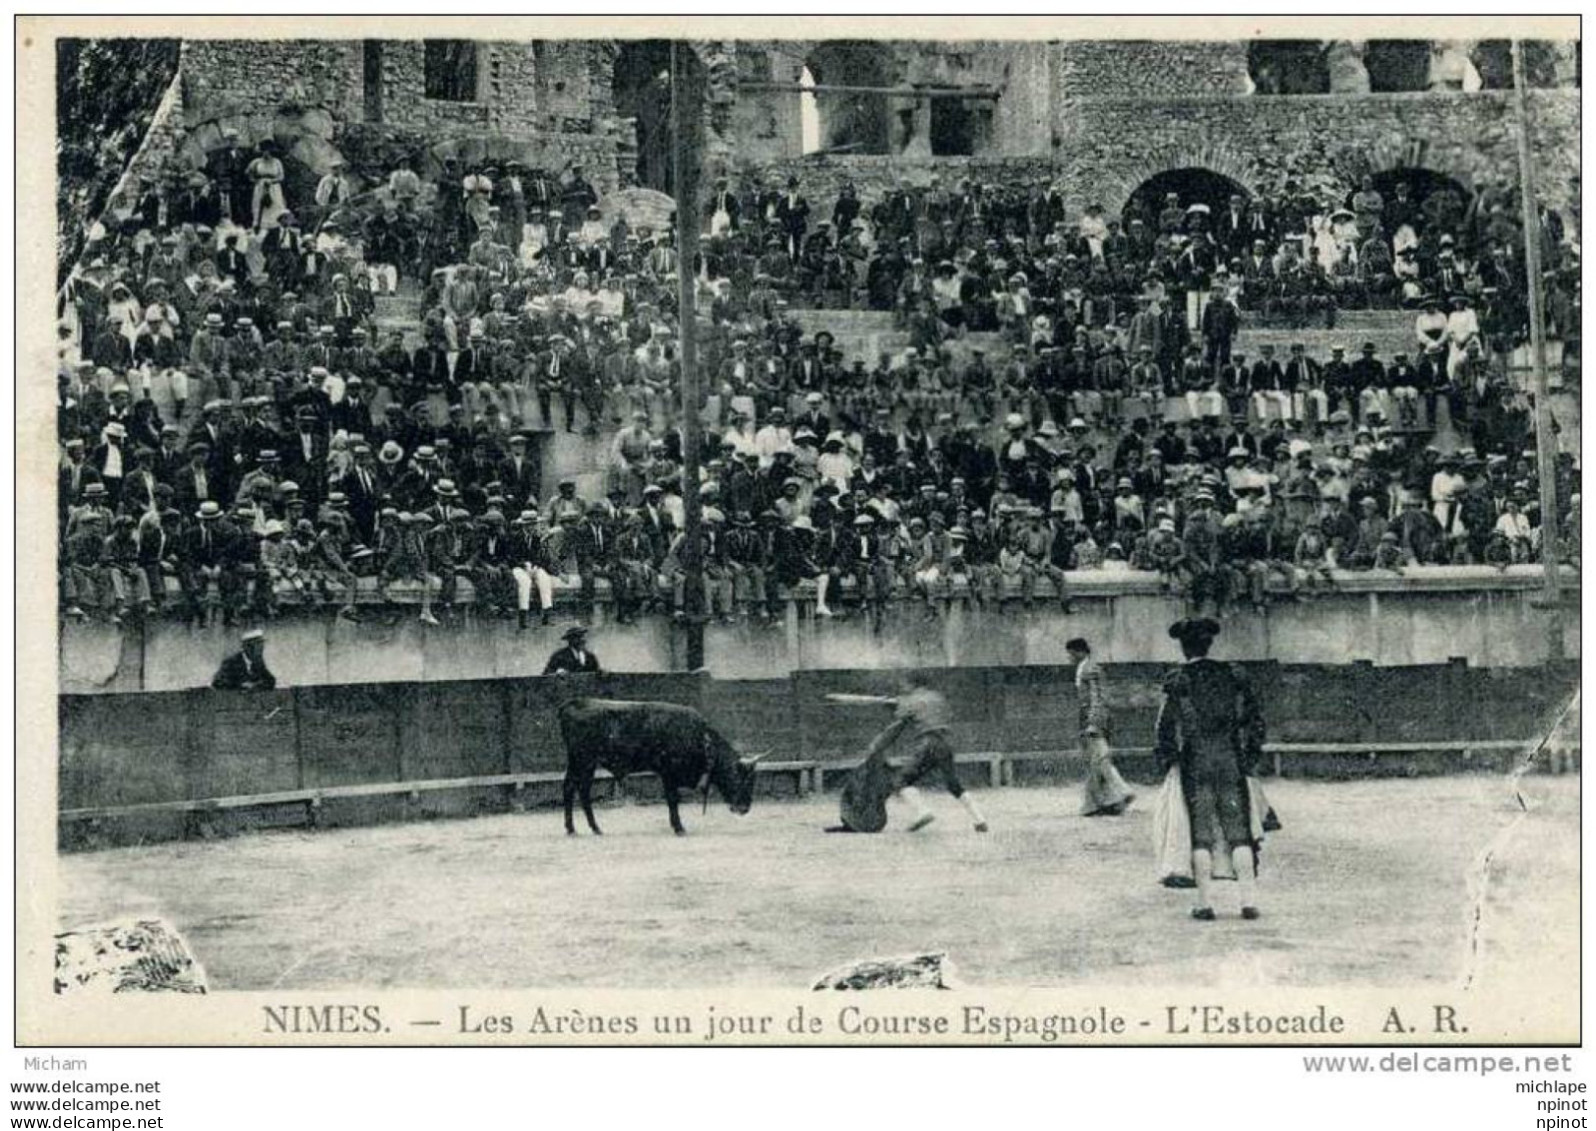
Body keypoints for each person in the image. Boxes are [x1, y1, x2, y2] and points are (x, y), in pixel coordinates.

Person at [1154, 617, 1267, 922]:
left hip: (1197, 761)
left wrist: (1170, 760)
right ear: (1209, 643)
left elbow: (1165, 729)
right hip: (1230, 758)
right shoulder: (1232, 674)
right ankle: (1248, 902)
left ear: (1184, 647)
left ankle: (1205, 904)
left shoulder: (1179, 679)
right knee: (1238, 829)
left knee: (1200, 832)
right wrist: (1249, 759)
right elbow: (1255, 721)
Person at [852, 677, 989, 833]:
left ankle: (922, 812)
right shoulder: (938, 697)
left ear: (912, 684)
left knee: (901, 781)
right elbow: (928, 713)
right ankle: (980, 820)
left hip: (928, 743)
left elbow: (896, 727)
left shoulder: (911, 700)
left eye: (905, 684)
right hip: (945, 743)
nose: (904, 687)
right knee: (953, 784)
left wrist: (877, 746)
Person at [1067, 637, 1135, 817]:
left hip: (1092, 721)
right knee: (1095, 760)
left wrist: (1093, 723)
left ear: (1080, 651)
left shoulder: (1090, 668)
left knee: (1098, 759)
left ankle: (1119, 792)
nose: (1070, 657)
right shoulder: (1085, 668)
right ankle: (1104, 802)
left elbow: (1098, 698)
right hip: (1087, 720)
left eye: (1071, 653)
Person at [211, 627, 277, 690]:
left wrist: (255, 685)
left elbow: (271, 680)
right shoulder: (231, 662)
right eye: (258, 646)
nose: (261, 650)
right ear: (248, 647)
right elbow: (217, 683)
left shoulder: (258, 662)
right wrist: (240, 685)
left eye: (262, 647)